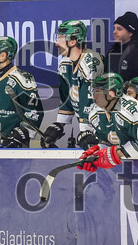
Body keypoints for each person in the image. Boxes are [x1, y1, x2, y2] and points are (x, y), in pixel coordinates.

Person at [78, 72, 138, 172]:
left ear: (111, 94)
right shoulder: (95, 114)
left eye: (98, 92)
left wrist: (115, 156)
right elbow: (106, 141)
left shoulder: (130, 110)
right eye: (93, 92)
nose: (94, 97)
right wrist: (96, 154)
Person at [41, 20, 105, 149]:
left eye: (60, 38)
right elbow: (68, 97)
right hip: (89, 128)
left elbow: (89, 99)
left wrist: (85, 130)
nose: (56, 43)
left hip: (105, 129)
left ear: (73, 41)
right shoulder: (65, 64)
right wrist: (59, 124)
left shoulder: (91, 62)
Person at [106, 11, 138, 83]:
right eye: (114, 28)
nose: (114, 32)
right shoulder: (111, 53)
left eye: (119, 29)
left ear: (130, 33)